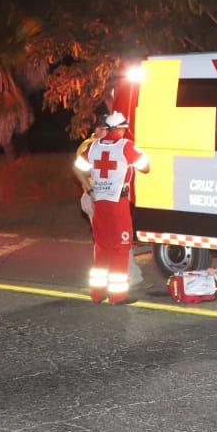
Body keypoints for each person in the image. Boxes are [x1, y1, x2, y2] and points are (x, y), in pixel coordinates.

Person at [73, 112, 150, 304]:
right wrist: (141, 154)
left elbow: (77, 168)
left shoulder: (93, 146)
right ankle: (117, 295)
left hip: (99, 202)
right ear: (121, 129)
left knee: (102, 248)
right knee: (120, 248)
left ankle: (97, 294)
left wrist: (90, 189)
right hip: (118, 205)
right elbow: (145, 167)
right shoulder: (126, 146)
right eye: (124, 129)